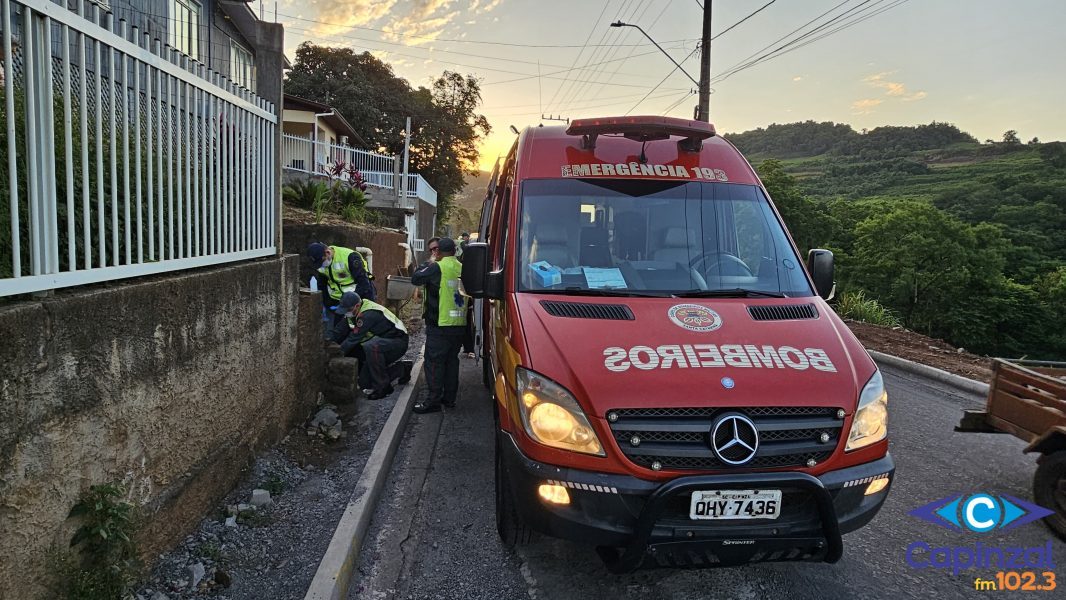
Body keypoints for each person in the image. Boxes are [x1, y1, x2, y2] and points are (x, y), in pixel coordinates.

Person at [410, 237, 467, 413]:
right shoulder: (462, 267)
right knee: (451, 362)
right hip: (459, 323)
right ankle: (449, 399)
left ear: (439, 252)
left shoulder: (437, 267)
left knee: (434, 363)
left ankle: (433, 401)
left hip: (440, 323)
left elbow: (416, 278)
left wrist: (431, 262)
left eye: (435, 251)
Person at [330, 292, 412, 400]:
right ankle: (401, 369)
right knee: (365, 383)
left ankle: (383, 387)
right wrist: (326, 342)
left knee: (370, 346)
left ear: (357, 306)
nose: (346, 313)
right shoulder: (353, 312)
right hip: (382, 344)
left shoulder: (368, 314)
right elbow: (338, 331)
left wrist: (337, 354)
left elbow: (352, 339)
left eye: (348, 310)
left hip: (397, 343)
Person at [308, 242, 376, 324]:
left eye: (322, 261)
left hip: (360, 296)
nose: (322, 265)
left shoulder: (350, 257)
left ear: (328, 252)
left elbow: (364, 284)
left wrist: (350, 303)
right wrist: (327, 303)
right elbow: (322, 285)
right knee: (338, 330)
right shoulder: (320, 265)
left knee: (364, 325)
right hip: (339, 301)